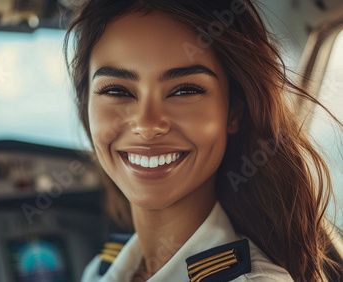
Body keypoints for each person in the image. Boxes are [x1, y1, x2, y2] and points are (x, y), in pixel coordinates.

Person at [63, 0, 343, 281]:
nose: (147, 126)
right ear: (87, 107)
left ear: (233, 112)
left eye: (185, 90)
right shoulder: (99, 270)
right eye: (116, 90)